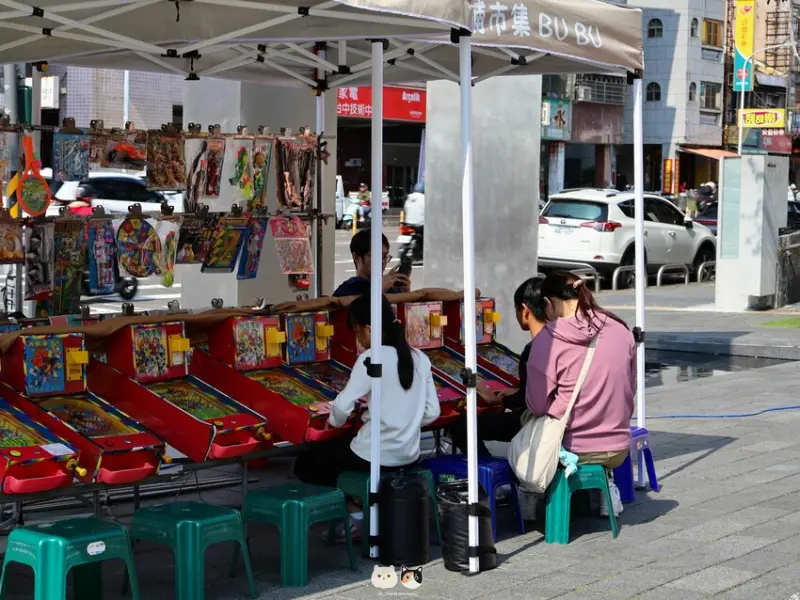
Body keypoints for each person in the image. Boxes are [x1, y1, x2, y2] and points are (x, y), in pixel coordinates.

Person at [292, 294, 441, 540]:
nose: (358, 338)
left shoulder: (371, 358)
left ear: (369, 328)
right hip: (409, 454)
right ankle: (364, 507)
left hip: (373, 455)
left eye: (357, 330)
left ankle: (356, 515)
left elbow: (342, 406)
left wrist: (333, 422)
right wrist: (407, 421)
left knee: (308, 463)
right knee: (335, 455)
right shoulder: (420, 358)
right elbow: (433, 411)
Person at [526, 270, 635, 516]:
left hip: (574, 447)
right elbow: (630, 389)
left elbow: (537, 405)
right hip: (619, 447)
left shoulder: (548, 339)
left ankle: (528, 495)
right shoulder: (620, 329)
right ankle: (607, 485)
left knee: (527, 420)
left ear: (548, 303)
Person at [448, 276, 547, 457]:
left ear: (524, 310)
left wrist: (500, 400)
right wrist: (516, 392)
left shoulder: (534, 349)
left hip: (536, 422)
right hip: (553, 420)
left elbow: (529, 400)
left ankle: (485, 470)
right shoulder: (558, 340)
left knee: (462, 425)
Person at [333, 229, 411, 297]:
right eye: (376, 256)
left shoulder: (391, 287)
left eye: (385, 256)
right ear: (357, 257)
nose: (382, 262)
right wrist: (379, 289)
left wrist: (405, 293)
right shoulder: (345, 291)